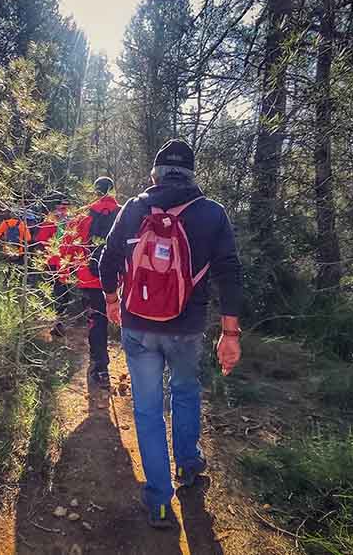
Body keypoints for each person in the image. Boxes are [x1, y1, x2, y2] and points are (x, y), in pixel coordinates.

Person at [98, 139, 243, 529]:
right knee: (184, 391)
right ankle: (189, 465)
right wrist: (230, 332)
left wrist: (112, 300)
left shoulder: (132, 209)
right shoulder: (212, 214)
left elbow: (107, 259)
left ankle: (160, 502)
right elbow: (229, 272)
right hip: (187, 329)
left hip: (138, 326)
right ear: (192, 176)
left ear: (154, 175)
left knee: (146, 409)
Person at [60, 177, 120, 387]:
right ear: (113, 191)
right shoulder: (125, 213)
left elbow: (67, 246)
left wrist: (66, 273)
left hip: (91, 279)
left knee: (97, 322)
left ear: (94, 191)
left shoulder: (83, 214)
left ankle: (101, 369)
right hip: (122, 281)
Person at [33, 194, 72, 337]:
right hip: (68, 262)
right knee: (63, 293)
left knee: (57, 292)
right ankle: (59, 323)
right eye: (64, 205)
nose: (64, 208)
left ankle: (58, 324)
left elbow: (41, 239)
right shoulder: (73, 219)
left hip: (55, 262)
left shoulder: (51, 219)